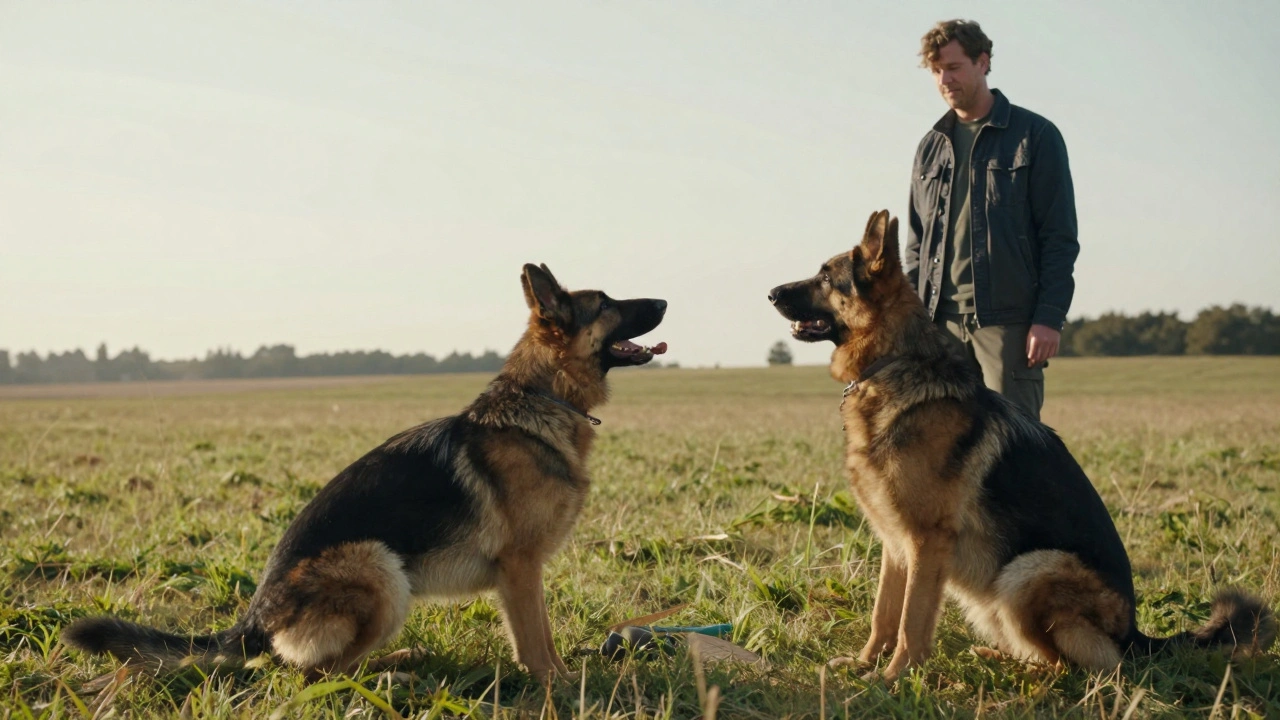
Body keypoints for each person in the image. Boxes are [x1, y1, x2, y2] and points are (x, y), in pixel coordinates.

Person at [904, 19, 1079, 421]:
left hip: (1008, 325)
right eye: (936, 71)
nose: (944, 80)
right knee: (944, 446)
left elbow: (1059, 238)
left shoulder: (1035, 135)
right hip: (938, 328)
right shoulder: (930, 147)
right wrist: (912, 324)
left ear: (983, 62)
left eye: (953, 67)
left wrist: (1049, 318)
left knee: (1015, 444)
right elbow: (915, 247)